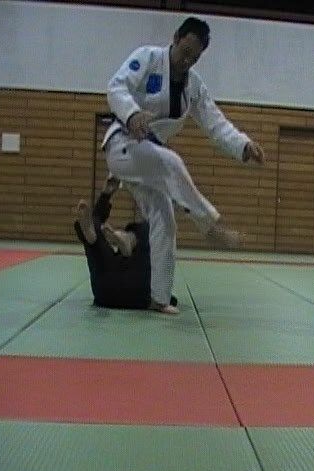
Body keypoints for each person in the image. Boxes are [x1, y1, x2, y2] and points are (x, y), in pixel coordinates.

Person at [102, 16, 264, 314]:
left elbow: (216, 124)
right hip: (122, 144)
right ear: (175, 38)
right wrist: (132, 114)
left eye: (195, 57)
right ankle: (210, 226)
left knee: (165, 218)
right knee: (172, 162)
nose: (187, 61)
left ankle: (159, 297)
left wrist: (243, 144)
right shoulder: (148, 58)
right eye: (185, 52)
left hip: (149, 157)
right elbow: (116, 87)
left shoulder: (194, 87)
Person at [73, 176, 178, 311]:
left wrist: (106, 194)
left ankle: (94, 238)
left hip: (105, 291)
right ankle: (128, 238)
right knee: (150, 230)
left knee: (95, 232)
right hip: (140, 292)